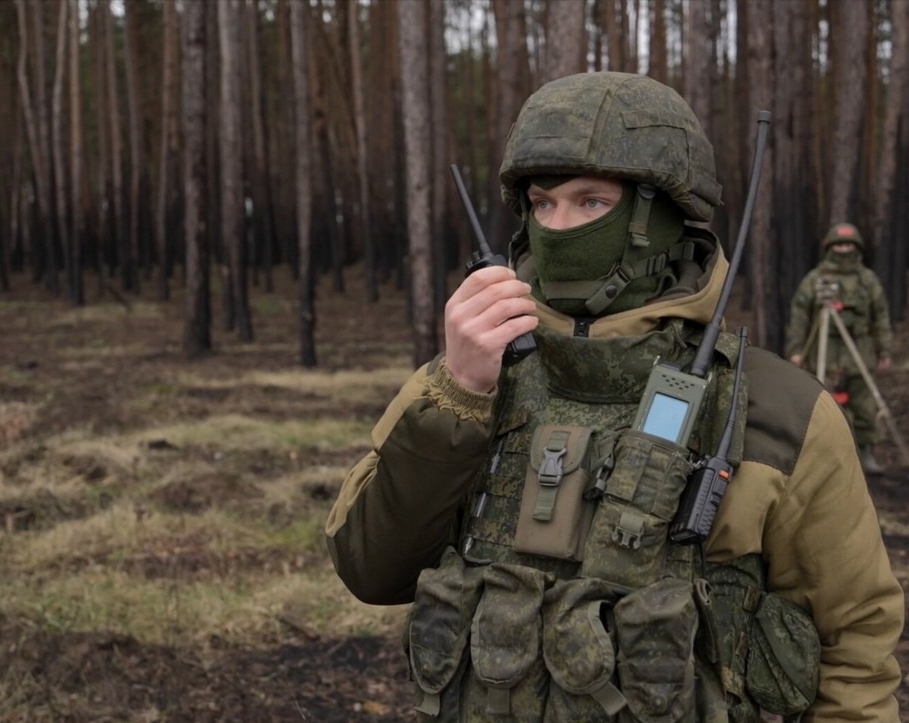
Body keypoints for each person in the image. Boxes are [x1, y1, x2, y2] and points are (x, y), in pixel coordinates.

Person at [326, 72, 903, 721]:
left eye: (591, 201)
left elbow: (855, 647)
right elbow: (369, 569)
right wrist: (457, 397)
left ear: (662, 216)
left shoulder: (777, 410)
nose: (558, 227)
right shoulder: (469, 380)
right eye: (543, 203)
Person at [785, 222, 894, 475]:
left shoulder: (867, 280)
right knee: (824, 406)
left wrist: (885, 351)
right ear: (830, 248)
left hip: (860, 352)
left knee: (865, 407)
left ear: (857, 248)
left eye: (848, 245)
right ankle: (824, 456)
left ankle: (866, 453)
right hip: (825, 352)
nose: (844, 250)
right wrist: (796, 349)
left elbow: (881, 317)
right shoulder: (815, 280)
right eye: (839, 245)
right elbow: (800, 317)